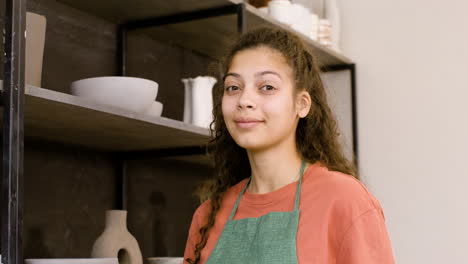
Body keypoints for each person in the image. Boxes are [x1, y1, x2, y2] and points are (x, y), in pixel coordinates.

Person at [183, 27, 395, 264]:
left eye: (267, 87)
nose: (244, 101)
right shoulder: (207, 216)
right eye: (233, 87)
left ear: (302, 104)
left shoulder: (345, 201)